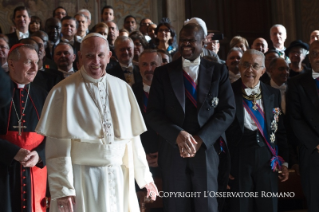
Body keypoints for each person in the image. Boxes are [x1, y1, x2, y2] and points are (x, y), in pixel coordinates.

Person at [35, 33, 158, 212]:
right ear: (80, 58)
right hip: (82, 179)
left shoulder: (123, 88)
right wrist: (63, 189)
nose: (96, 61)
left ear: (109, 56)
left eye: (100, 55)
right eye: (90, 56)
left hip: (119, 176)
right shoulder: (62, 91)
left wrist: (145, 178)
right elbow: (57, 149)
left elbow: (133, 141)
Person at [146, 23, 236, 212]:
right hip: (172, 151)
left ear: (203, 42)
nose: (185, 44)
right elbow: (153, 113)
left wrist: (200, 139)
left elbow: (227, 111)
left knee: (207, 206)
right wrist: (177, 135)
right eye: (183, 40)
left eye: (191, 40)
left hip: (206, 150)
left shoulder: (219, 71)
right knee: (176, 206)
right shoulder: (163, 73)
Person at [225, 49, 289, 212]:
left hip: (267, 161)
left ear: (263, 70)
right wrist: (223, 168)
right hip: (238, 160)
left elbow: (279, 130)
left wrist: (285, 162)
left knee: (268, 207)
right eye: (245, 65)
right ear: (239, 67)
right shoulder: (227, 92)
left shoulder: (272, 94)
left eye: (255, 66)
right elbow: (221, 134)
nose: (249, 70)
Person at [0, 43, 47, 212]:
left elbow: (54, 135)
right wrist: (13, 152)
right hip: (3, 171)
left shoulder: (43, 94)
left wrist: (40, 155)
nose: (35, 68)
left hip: (35, 170)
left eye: (37, 62)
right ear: (11, 63)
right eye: (29, 62)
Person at [286, 40, 319, 212]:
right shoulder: (296, 83)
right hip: (312, 152)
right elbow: (295, 119)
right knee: (315, 203)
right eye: (314, 53)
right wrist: (316, 143)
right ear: (308, 58)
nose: (318, 57)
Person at [132, 49, 162, 176]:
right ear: (139, 67)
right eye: (144, 64)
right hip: (138, 160)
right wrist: (140, 154)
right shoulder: (130, 92)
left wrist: (164, 154)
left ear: (161, 66)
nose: (149, 68)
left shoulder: (172, 92)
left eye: (153, 64)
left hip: (167, 159)